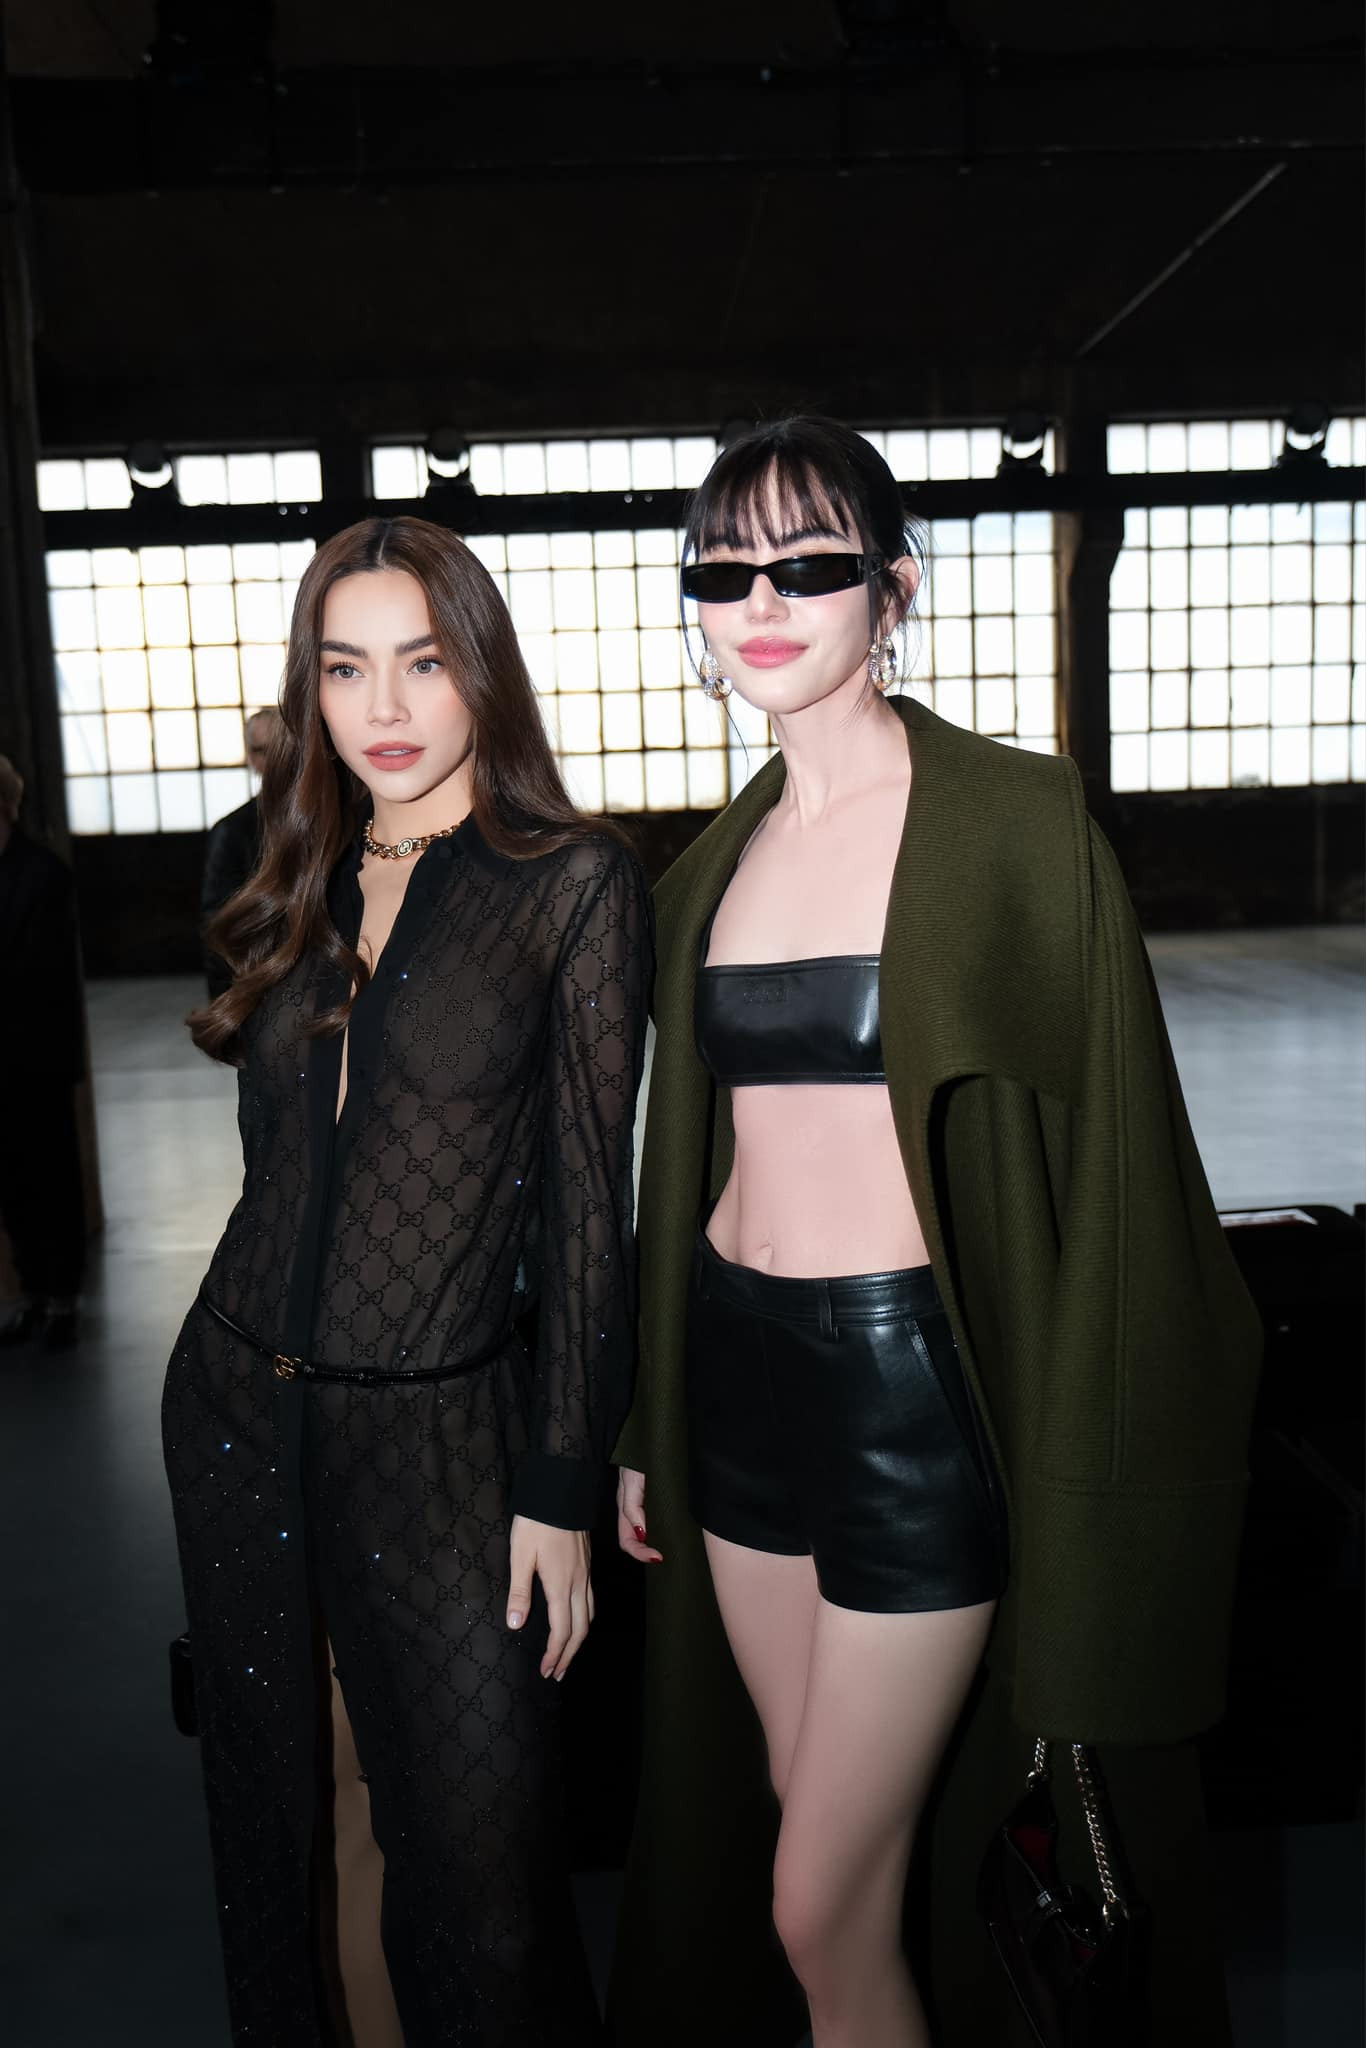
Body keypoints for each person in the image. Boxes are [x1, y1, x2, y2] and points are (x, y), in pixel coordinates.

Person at [610, 417, 1261, 2047]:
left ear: (892, 589)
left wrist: (1120, 1480)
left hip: (908, 1396)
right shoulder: (705, 871)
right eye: (722, 571)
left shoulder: (1014, 828)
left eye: (809, 563)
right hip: (734, 1383)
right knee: (807, 1831)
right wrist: (640, 1420)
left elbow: (1128, 1171)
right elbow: (687, 1168)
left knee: (814, 1900)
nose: (761, 602)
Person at [163, 516, 651, 2046]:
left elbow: (590, 1206)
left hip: (445, 1443)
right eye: (344, 667)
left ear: (481, 671)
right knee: (290, 1832)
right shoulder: (283, 868)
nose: (381, 706)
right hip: (236, 1412)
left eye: (423, 664)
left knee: (486, 1886)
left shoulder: (569, 884)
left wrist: (562, 1478)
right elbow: (277, 1168)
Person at [0, 753, 86, 1351]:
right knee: (11, 1183)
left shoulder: (43, 872)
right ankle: (32, 1293)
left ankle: (62, 1299)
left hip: (35, 1056)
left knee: (50, 1178)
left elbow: (42, 973)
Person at [200, 704, 281, 998]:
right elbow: (218, 925)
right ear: (251, 759)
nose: (272, 761)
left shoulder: (333, 819)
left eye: (280, 749)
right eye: (261, 751)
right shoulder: (233, 831)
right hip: (261, 984)